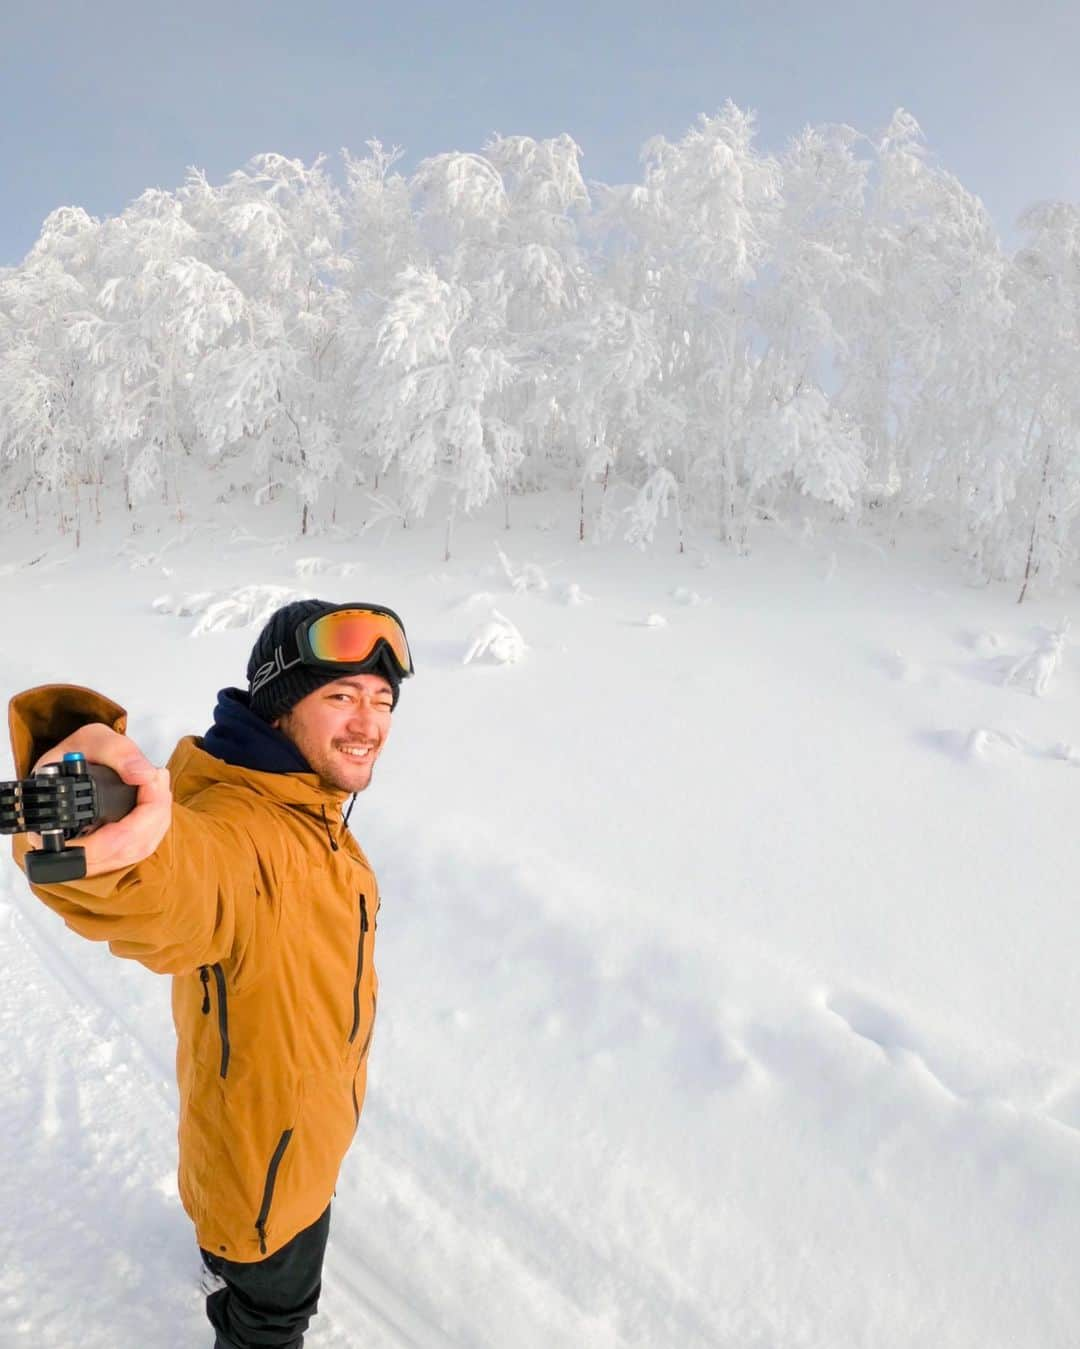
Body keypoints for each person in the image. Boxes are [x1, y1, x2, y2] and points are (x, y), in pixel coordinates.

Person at [8, 599, 414, 1348]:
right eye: (341, 696)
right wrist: (98, 813)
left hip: (292, 1144)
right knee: (271, 1319)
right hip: (265, 1193)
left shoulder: (313, 815)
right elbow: (179, 877)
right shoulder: (245, 834)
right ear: (280, 703)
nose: (370, 722)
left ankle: (224, 1275)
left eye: (381, 699)